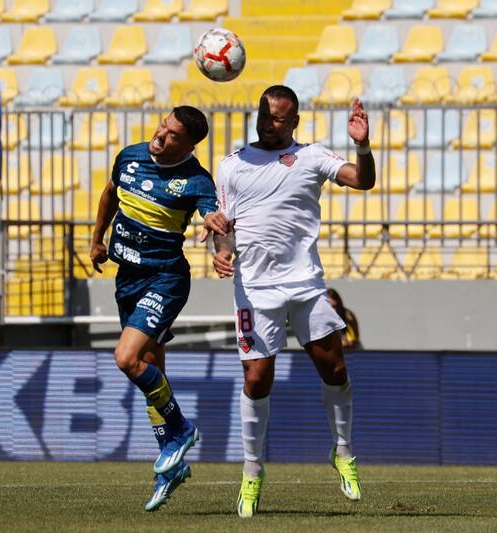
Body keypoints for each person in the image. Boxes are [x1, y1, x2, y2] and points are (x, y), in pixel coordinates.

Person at [206, 86, 375, 518]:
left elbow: (365, 180)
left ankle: (343, 452)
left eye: (278, 118)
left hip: (305, 283)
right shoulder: (232, 166)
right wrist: (221, 252)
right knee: (257, 379)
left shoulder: (313, 157)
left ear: (293, 121)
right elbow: (224, 225)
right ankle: (251, 471)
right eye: (264, 116)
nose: (268, 124)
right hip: (255, 287)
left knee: (334, 367)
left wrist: (362, 145)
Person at [90, 106, 224, 512]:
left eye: (171, 135)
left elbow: (212, 218)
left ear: (188, 144)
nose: (160, 136)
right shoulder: (130, 155)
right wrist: (97, 239)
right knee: (153, 373)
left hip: (164, 280)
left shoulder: (197, 181)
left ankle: (181, 430)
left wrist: (220, 244)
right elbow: (110, 193)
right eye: (161, 127)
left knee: (126, 359)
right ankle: (170, 470)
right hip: (126, 277)